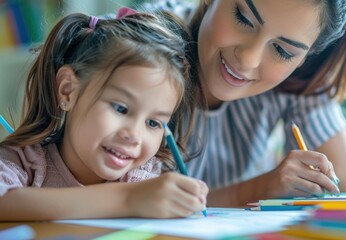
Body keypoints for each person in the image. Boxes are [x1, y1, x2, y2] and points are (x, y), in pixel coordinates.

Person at [144, 0, 346, 207]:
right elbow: (126, 201)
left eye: (282, 51)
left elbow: (344, 188)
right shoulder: (135, 46)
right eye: (243, 18)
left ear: (305, 59)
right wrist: (260, 189)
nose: (248, 58)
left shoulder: (298, 79)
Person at [0, 8, 208, 221]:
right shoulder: (24, 162)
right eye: (121, 108)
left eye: (153, 123)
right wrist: (127, 199)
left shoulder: (142, 176)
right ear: (68, 91)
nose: (134, 135)